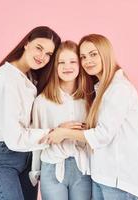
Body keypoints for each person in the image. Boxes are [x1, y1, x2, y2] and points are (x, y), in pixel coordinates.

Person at [40, 34, 138, 200]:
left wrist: (63, 133)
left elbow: (102, 135)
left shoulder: (119, 89)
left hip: (118, 180)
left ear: (105, 53)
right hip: (100, 176)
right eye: (83, 57)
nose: (88, 61)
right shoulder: (100, 90)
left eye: (93, 54)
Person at [0, 26, 61, 200]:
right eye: (39, 48)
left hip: (27, 158)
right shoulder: (7, 79)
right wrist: (54, 133)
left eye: (49, 54)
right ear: (26, 43)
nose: (42, 57)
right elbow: (14, 138)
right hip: (2, 160)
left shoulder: (28, 77)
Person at [29, 40, 93, 200]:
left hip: (83, 169)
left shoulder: (89, 100)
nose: (67, 66)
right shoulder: (42, 101)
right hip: (52, 168)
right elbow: (35, 139)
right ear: (55, 67)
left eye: (73, 61)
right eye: (61, 62)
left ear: (80, 65)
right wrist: (36, 170)